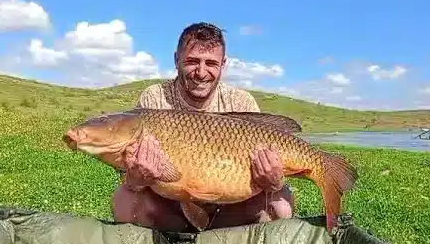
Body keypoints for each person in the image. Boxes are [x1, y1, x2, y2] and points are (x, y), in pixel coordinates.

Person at [111, 22, 295, 232]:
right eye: (192, 61)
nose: (201, 72)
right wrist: (135, 179)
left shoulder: (241, 102)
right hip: (172, 206)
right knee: (125, 201)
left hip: (231, 208)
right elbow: (133, 169)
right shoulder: (155, 99)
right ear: (176, 60)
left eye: (211, 63)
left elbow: (270, 175)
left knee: (280, 205)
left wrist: (274, 182)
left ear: (222, 65)